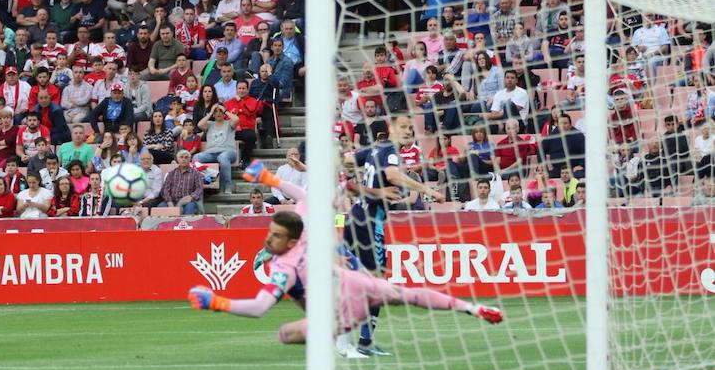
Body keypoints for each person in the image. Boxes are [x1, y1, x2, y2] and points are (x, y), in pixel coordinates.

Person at [188, 161, 502, 344]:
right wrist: (269, 178)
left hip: (337, 306)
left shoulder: (287, 261)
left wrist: (216, 301)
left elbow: (259, 307)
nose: (270, 238)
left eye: (274, 235)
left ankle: (344, 344)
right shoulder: (312, 208)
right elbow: (300, 191)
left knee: (287, 334)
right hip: (350, 281)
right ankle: (470, 308)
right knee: (407, 294)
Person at [343, 117, 445, 356]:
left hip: (354, 217)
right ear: (390, 129)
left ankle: (347, 337)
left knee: (353, 279)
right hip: (370, 223)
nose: (408, 130)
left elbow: (345, 160)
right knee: (378, 284)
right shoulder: (390, 151)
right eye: (403, 126)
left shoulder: (372, 149)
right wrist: (429, 190)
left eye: (410, 127)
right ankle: (363, 342)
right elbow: (393, 175)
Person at [194, 103, 239, 194]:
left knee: (223, 157)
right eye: (216, 111)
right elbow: (199, 124)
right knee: (196, 158)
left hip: (228, 152)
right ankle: (205, 182)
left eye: (220, 111)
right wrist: (210, 113)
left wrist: (225, 110)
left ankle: (228, 186)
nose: (218, 113)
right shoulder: (210, 124)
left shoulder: (229, 123)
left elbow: (236, 119)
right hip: (211, 153)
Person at [160, 149, 203, 214]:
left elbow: (199, 188)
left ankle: (185, 224)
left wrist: (191, 197)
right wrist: (169, 201)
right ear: (177, 159)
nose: (184, 159)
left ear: (189, 159)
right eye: (181, 157)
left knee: (190, 207)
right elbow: (165, 189)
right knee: (161, 207)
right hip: (172, 200)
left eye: (186, 157)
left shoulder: (195, 173)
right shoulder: (171, 173)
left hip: (188, 201)